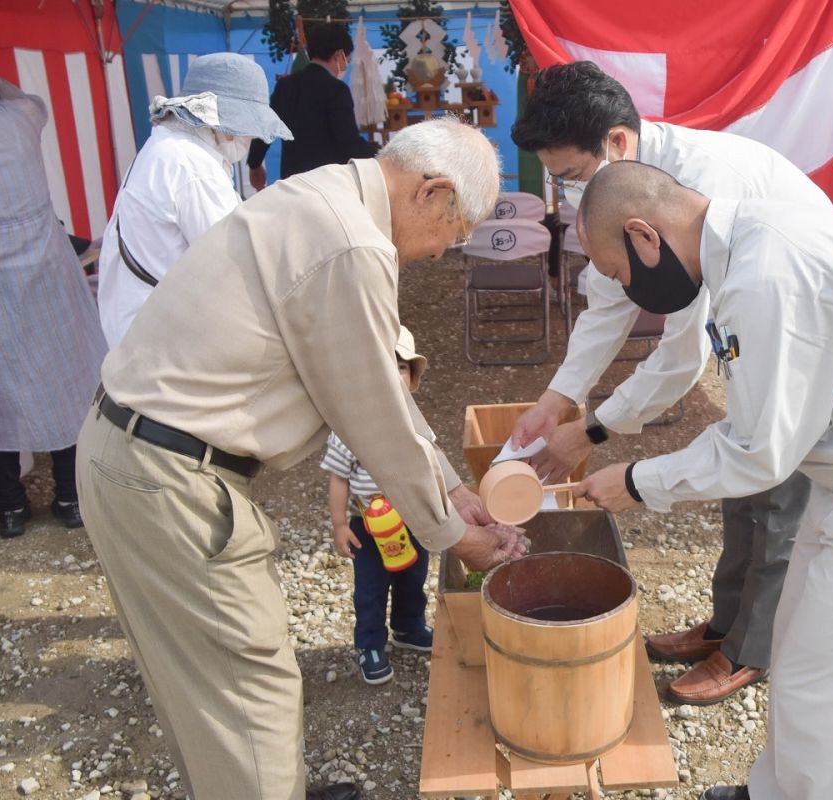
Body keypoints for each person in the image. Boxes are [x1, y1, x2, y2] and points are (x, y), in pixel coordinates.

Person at [76, 117, 523, 800]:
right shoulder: (352, 243)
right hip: (169, 477)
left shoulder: (327, 194)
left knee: (200, 685)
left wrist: (453, 487)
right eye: (453, 234)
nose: (439, 253)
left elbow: (373, 381)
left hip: (128, 451)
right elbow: (371, 406)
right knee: (247, 687)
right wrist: (452, 532)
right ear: (432, 192)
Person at [573, 161, 833, 800]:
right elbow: (763, 425)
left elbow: (759, 451)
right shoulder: (746, 248)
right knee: (799, 660)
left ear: (643, 235)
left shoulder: (769, 272)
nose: (627, 288)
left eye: (616, 272)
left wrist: (638, 482)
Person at [507, 61, 829, 705]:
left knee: (775, 483)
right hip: (752, 335)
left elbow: (684, 359)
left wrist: (592, 431)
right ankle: (723, 626)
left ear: (618, 144)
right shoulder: (623, 193)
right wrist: (558, 398)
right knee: (744, 493)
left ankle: (751, 647)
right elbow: (608, 300)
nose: (569, 196)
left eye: (572, 176)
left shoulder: (698, 189)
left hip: (798, 337)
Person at [0, 33, 106, 538]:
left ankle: (10, 508)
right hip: (43, 257)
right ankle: (70, 497)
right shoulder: (16, 119)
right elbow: (16, 93)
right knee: (63, 373)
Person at [97, 53, 291, 348]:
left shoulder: (167, 146)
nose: (250, 138)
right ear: (221, 123)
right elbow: (238, 262)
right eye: (247, 130)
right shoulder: (192, 165)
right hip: (161, 341)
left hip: (140, 328)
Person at [324, 325, 441, 685]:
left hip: (411, 519)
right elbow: (338, 478)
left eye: (402, 367)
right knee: (371, 587)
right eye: (382, 366)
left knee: (413, 576)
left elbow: (432, 467)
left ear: (412, 378)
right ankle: (370, 645)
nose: (392, 375)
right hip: (367, 525)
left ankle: (408, 627)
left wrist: (437, 510)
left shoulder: (416, 424)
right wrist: (341, 524)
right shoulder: (351, 429)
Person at [247, 21, 377, 190]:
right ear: (339, 55)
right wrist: (380, 157)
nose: (346, 65)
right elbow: (348, 142)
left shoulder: (285, 86)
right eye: (348, 59)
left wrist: (255, 164)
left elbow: (266, 127)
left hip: (292, 182)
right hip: (328, 184)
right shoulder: (337, 90)